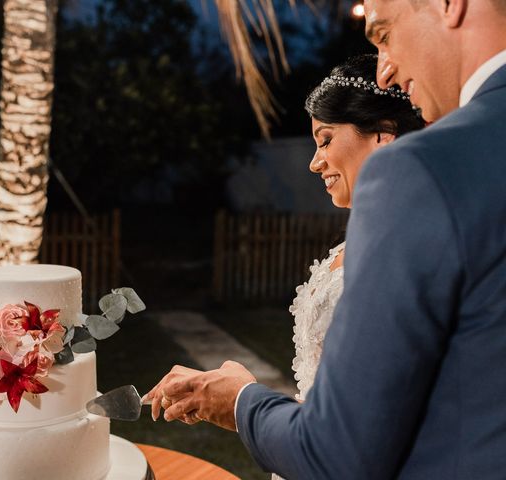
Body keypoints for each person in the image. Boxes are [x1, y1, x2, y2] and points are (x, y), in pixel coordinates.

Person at [144, 0, 506, 477]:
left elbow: (337, 453)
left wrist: (240, 401)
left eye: (384, 34)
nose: (385, 71)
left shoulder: (423, 170)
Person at [292, 53, 424, 404]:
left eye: (325, 140)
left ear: (382, 134)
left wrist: (244, 402)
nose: (315, 163)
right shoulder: (361, 238)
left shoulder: (408, 246)